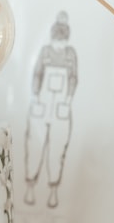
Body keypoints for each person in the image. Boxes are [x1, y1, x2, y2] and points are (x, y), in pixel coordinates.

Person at [25, 11, 78, 208]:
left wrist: (69, 98)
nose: (59, 45)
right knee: (35, 145)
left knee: (58, 147)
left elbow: (74, 77)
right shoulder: (45, 51)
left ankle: (53, 189)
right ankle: (30, 185)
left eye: (63, 41)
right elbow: (37, 73)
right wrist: (35, 96)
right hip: (41, 104)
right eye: (57, 40)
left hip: (62, 107)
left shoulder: (71, 54)